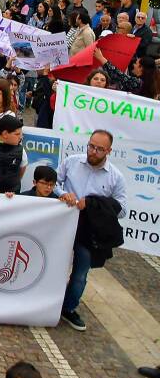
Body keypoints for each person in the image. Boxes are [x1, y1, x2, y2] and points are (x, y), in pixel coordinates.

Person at [56, 129, 127, 332]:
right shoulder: (72, 162)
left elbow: (121, 210)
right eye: (91, 146)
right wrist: (64, 194)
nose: (93, 151)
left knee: (80, 273)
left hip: (89, 231)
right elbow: (55, 182)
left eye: (99, 149)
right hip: (62, 223)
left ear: (109, 151)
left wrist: (95, 204)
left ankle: (68, 308)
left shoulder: (116, 177)